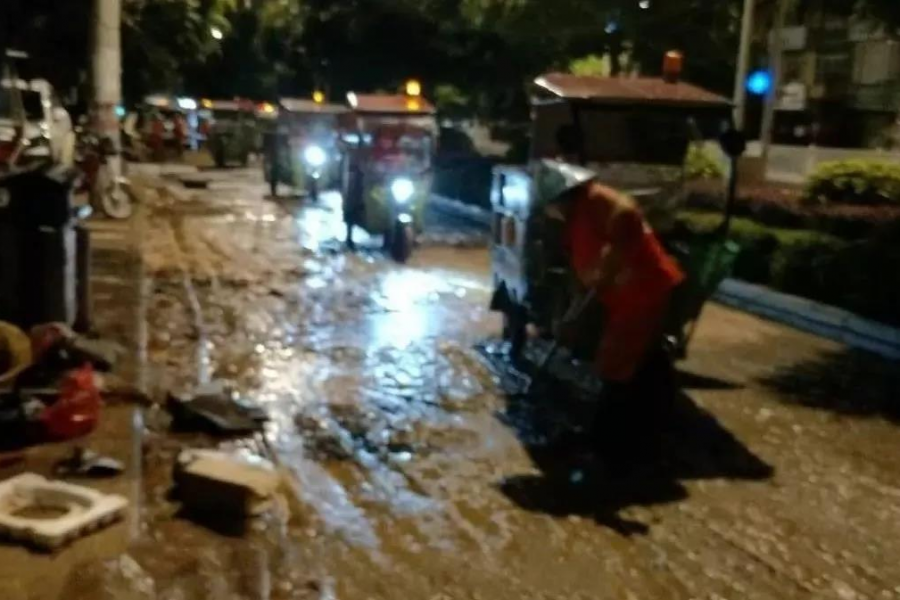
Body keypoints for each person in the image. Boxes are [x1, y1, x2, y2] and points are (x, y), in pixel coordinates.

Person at [551, 172, 684, 469]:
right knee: (642, 365)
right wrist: (572, 314)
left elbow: (627, 215)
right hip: (625, 298)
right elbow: (581, 273)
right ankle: (643, 438)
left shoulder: (597, 200)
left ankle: (606, 446)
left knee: (615, 366)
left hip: (643, 291)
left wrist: (610, 264)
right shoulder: (575, 218)